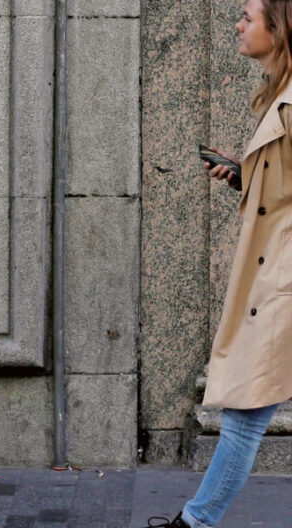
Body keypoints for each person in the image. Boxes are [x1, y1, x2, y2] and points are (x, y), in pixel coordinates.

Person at [148, 1, 292, 526]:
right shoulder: (279, 96)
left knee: (244, 419)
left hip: (281, 282)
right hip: (273, 277)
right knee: (245, 418)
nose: (238, 23)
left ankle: (195, 523)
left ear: (278, 30)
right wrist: (243, 175)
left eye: (248, 15)